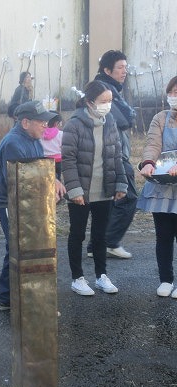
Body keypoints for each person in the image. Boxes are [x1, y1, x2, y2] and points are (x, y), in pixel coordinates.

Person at [0, 100, 66, 311]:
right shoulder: (14, 143)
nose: (46, 125)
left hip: (28, 202)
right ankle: (15, 299)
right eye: (41, 121)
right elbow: (20, 181)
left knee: (24, 247)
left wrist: (55, 179)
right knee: (19, 247)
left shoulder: (33, 138)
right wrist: (47, 191)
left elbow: (39, 165)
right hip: (12, 203)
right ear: (25, 122)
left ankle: (11, 297)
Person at [62, 80, 127, 296]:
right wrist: (75, 190)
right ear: (90, 102)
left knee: (100, 235)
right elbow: (68, 160)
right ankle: (77, 278)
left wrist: (120, 182)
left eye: (110, 101)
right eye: (103, 101)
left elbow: (117, 155)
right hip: (81, 191)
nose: (107, 105)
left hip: (105, 189)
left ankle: (101, 276)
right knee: (77, 234)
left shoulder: (110, 123)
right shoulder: (74, 124)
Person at [89, 50, 137, 259]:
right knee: (128, 196)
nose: (124, 71)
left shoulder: (107, 87)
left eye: (126, 67)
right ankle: (109, 241)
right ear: (107, 70)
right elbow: (126, 118)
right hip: (113, 154)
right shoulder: (106, 90)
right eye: (120, 67)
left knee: (110, 199)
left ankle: (98, 244)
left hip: (111, 152)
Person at [137, 75, 177, 298]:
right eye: (172, 92)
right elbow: (153, 144)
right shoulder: (161, 117)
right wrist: (149, 163)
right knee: (163, 235)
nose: (174, 97)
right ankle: (165, 279)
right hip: (163, 184)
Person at [40, 111, 64, 179]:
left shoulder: (40, 133)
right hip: (58, 161)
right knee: (57, 180)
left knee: (47, 180)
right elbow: (63, 148)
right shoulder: (61, 134)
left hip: (44, 161)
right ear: (56, 123)